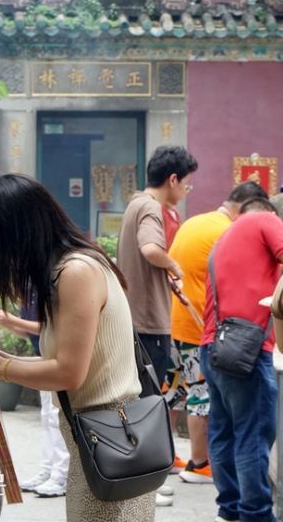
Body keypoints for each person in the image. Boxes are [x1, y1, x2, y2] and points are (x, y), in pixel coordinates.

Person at [0, 174, 155, 521]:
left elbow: (69, 373)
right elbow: (66, 362)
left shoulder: (75, 271)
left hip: (112, 442)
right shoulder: (67, 269)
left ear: (19, 229)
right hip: (94, 441)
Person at [164, 181, 268, 483]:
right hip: (199, 326)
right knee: (201, 395)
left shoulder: (197, 221)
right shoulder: (227, 230)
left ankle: (163, 457)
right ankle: (200, 465)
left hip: (174, 321)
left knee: (171, 394)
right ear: (243, 208)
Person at [200, 197, 283, 522]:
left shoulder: (222, 241)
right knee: (253, 431)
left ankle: (230, 509)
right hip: (247, 350)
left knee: (222, 431)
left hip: (213, 347)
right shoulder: (265, 220)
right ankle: (257, 513)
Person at [117, 145, 198, 386]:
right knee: (148, 405)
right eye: (186, 184)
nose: (186, 191)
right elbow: (151, 249)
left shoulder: (135, 204)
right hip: (150, 325)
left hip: (133, 322)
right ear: (173, 179)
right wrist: (175, 266)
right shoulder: (151, 206)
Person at [0, 298, 70, 498]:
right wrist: (9, 324)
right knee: (48, 419)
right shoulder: (29, 288)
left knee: (57, 419)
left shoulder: (49, 283)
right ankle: (48, 470)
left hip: (54, 362)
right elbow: (29, 332)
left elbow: (46, 327)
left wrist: (12, 320)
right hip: (41, 359)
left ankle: (62, 475)